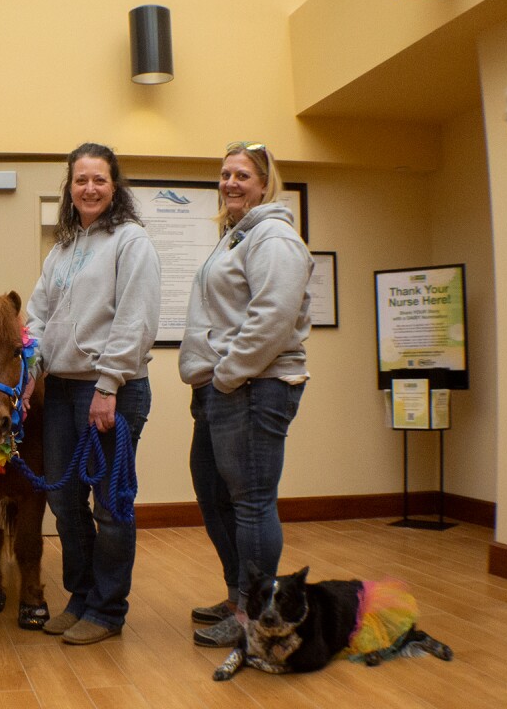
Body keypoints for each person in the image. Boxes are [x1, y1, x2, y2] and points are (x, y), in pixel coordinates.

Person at [27, 143, 161, 646]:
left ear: (114, 186)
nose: (89, 188)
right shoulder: (61, 249)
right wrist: (28, 375)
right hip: (60, 391)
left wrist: (108, 386)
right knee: (63, 501)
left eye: (99, 180)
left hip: (112, 392)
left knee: (109, 506)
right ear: (69, 187)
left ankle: (107, 611)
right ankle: (80, 598)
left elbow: (135, 319)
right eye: (80, 180)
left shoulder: (131, 242)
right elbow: (37, 317)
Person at [179, 141, 312, 648]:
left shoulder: (274, 237)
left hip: (254, 387)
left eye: (242, 175)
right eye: (225, 174)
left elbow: (272, 319)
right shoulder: (235, 237)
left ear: (263, 183)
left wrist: (228, 374)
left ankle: (255, 617)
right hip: (223, 387)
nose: (231, 182)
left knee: (252, 503)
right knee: (215, 497)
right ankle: (241, 596)